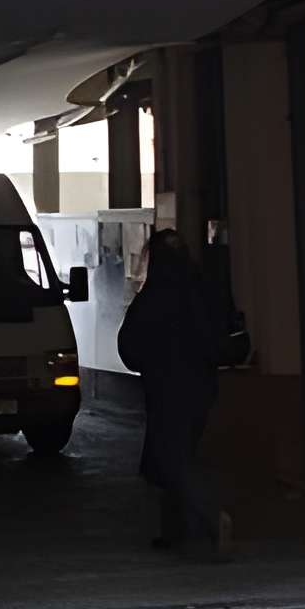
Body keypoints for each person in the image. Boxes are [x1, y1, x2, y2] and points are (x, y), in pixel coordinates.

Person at [117, 229, 229, 558]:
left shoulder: (152, 298)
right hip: (201, 388)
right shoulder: (203, 291)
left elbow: (129, 347)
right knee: (180, 454)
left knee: (168, 460)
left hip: (165, 390)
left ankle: (211, 519)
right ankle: (174, 531)